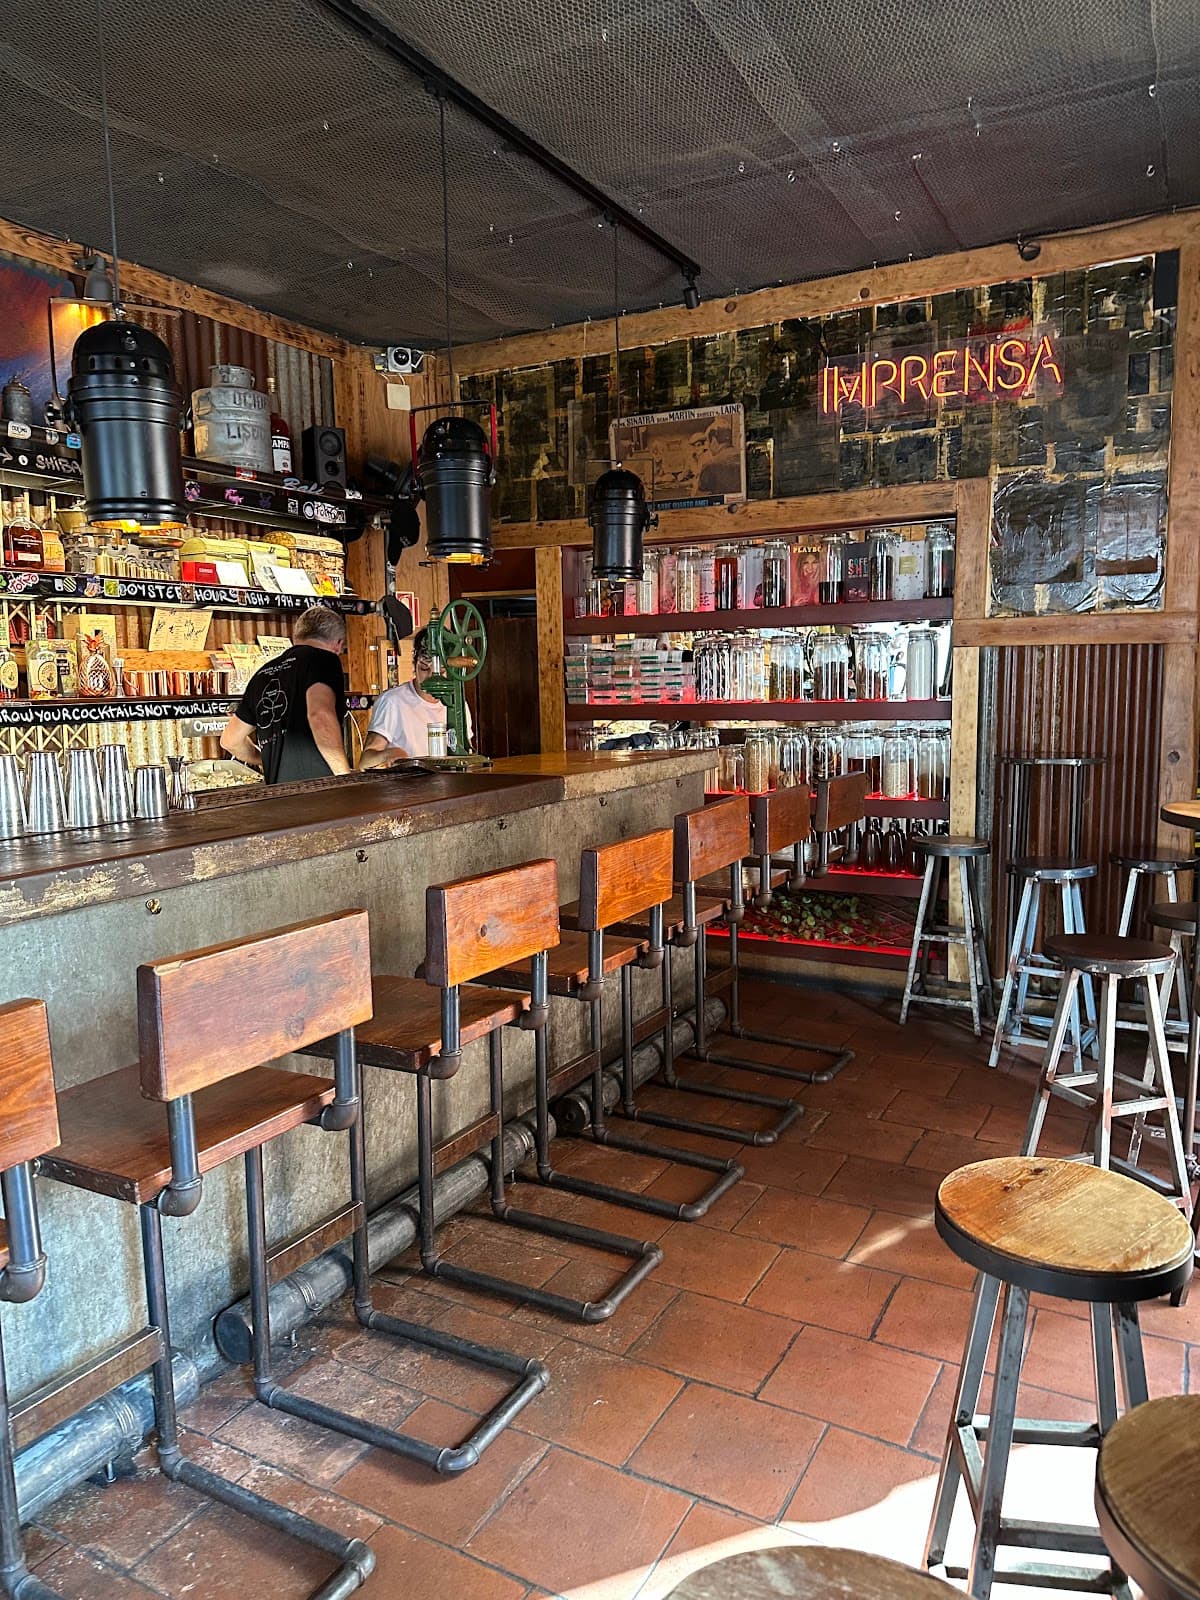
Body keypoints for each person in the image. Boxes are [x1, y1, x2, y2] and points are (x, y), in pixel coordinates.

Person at [220, 605, 350, 784]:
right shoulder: (325, 660)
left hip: (278, 798)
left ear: (296, 637)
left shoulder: (262, 674)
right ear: (338, 644)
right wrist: (345, 778)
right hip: (321, 795)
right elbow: (320, 715)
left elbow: (230, 740)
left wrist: (267, 758)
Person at [359, 624, 472, 766]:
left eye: (441, 671)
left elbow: (466, 753)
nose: (431, 676)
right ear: (414, 664)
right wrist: (389, 754)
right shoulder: (392, 702)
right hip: (407, 785)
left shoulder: (458, 704)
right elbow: (365, 762)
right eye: (424, 668)